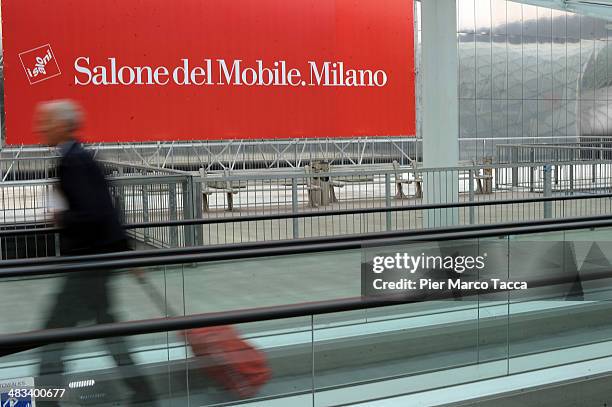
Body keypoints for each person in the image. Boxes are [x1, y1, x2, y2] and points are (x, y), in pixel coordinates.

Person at [34, 100, 156, 406]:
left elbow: (93, 213)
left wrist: (61, 219)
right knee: (108, 331)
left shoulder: (71, 161)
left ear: (63, 125)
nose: (41, 128)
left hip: (85, 265)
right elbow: (108, 210)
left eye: (46, 122)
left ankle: (45, 399)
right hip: (97, 263)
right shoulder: (82, 156)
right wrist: (127, 253)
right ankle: (142, 392)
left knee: (53, 335)